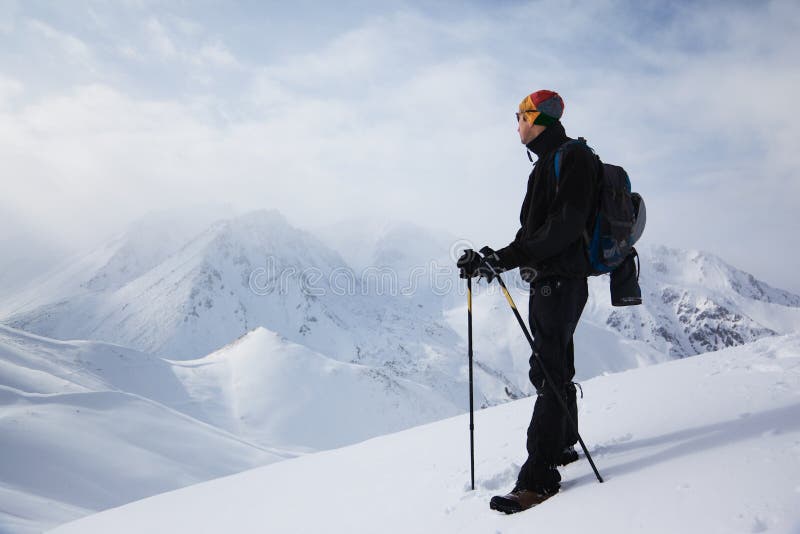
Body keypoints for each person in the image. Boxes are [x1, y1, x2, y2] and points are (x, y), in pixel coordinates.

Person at [457, 89, 598, 513]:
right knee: (551, 367)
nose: (515, 123)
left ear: (537, 119)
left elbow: (563, 227)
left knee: (550, 374)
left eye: (519, 115)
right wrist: (494, 258)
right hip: (553, 282)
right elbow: (535, 234)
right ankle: (562, 446)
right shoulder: (549, 165)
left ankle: (538, 478)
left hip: (559, 282)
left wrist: (509, 257)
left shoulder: (571, 159)